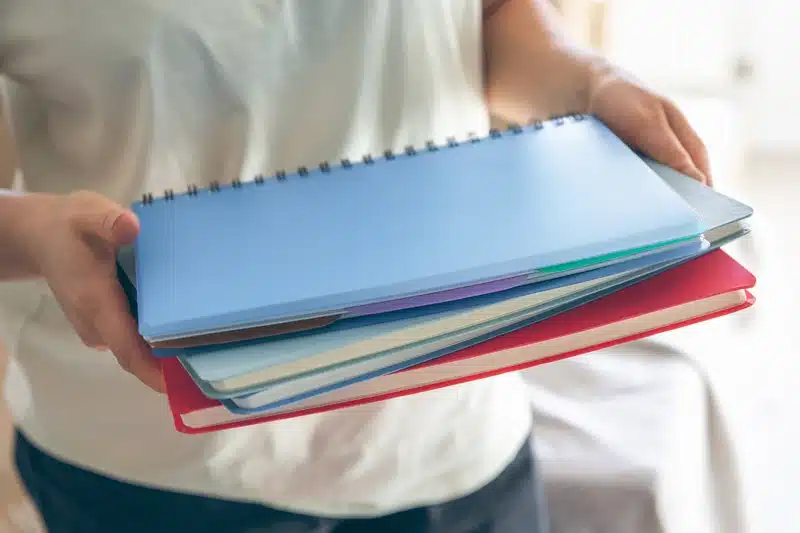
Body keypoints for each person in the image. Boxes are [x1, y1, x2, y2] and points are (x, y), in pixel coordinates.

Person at [0, 1, 712, 532]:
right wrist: (37, 232)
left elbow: (486, 15)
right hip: (149, 463)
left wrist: (589, 82)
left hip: (453, 428)